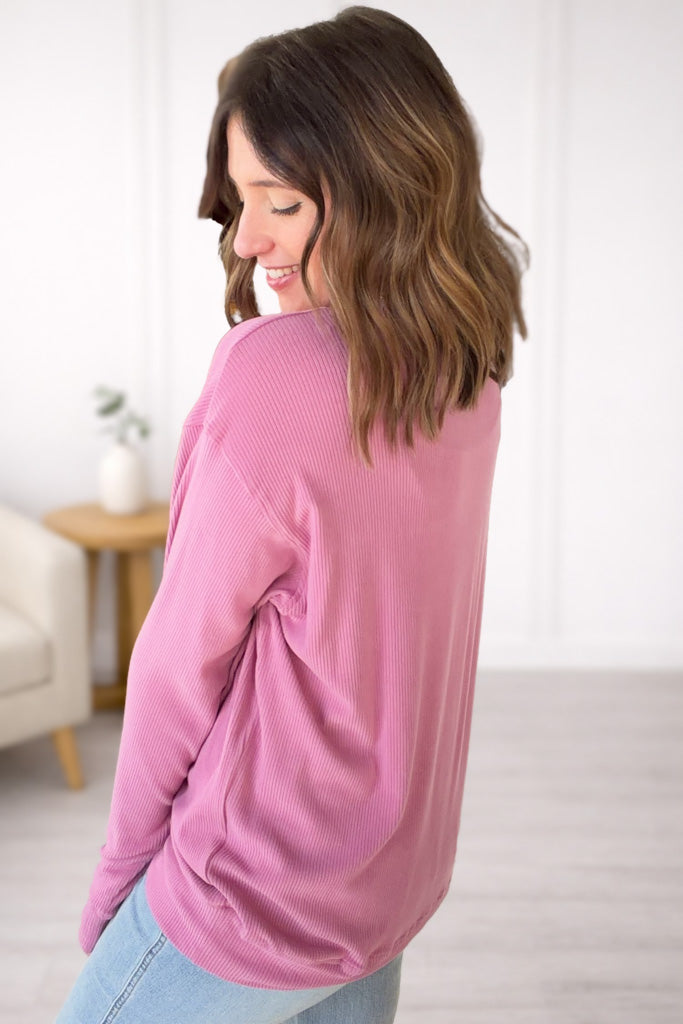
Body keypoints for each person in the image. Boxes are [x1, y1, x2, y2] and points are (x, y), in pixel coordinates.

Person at [57, 6, 527, 1023]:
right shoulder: (466, 367)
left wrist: (122, 876)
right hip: (383, 892)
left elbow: (178, 664)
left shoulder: (269, 375)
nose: (245, 236)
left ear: (382, 191)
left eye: (280, 201)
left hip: (244, 899)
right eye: (239, 199)